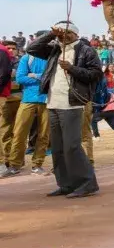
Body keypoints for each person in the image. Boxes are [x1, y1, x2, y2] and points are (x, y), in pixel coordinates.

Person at [26, 22, 101, 198]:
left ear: (75, 34)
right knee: (58, 148)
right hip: (52, 103)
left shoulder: (86, 50)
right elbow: (32, 48)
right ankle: (66, 184)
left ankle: (87, 183)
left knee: (72, 146)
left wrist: (72, 68)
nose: (63, 36)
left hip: (72, 104)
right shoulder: (54, 48)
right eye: (60, 34)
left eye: (66, 33)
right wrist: (51, 34)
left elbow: (96, 74)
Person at [3, 49, 49, 177]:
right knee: (19, 132)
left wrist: (34, 75)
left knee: (44, 134)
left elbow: (53, 78)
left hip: (47, 99)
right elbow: (20, 78)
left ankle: (37, 165)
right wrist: (42, 77)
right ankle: (15, 165)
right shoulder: (27, 58)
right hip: (28, 99)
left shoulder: (52, 58)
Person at [0, 40, 20, 175]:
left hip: (19, 100)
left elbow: (20, 79)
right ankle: (6, 161)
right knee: (5, 131)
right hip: (7, 100)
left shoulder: (20, 62)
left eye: (13, 48)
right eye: (9, 48)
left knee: (18, 132)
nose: (11, 50)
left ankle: (15, 161)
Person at [90, 73, 114, 139]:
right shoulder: (110, 90)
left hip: (104, 110)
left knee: (93, 121)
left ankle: (96, 136)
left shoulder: (98, 91)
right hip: (113, 111)